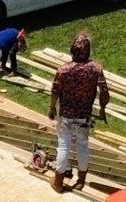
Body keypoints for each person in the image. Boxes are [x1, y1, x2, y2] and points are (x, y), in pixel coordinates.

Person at [47, 33, 109, 190]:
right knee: (82, 146)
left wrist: (52, 108)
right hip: (84, 116)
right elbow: (104, 92)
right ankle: (81, 181)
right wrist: (102, 109)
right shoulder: (96, 69)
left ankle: (58, 182)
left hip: (66, 116)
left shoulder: (64, 70)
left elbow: (55, 91)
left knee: (63, 147)